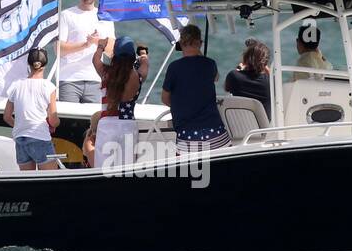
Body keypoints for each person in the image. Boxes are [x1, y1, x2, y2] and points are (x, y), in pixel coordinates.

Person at [161, 24, 231, 153]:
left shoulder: (174, 68)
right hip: (216, 134)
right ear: (200, 43)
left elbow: (165, 98)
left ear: (181, 43)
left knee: (190, 171)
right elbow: (215, 78)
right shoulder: (210, 64)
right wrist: (199, 51)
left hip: (187, 138)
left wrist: (180, 106)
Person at [57, 0, 115, 103]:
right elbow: (59, 49)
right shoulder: (66, 15)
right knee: (68, 121)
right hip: (68, 79)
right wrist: (86, 45)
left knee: (93, 122)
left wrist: (97, 42)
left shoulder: (105, 17)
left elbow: (111, 51)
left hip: (95, 79)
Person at [90, 37, 148, 168]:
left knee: (103, 169)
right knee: (126, 170)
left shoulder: (106, 72)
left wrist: (100, 46)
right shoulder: (138, 75)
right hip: (128, 125)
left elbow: (95, 60)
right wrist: (143, 52)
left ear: (114, 55)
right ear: (133, 56)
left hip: (107, 125)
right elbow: (145, 63)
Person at [3, 47, 59, 171]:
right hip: (40, 137)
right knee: (51, 181)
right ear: (45, 65)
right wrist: (54, 124)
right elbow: (54, 120)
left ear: (28, 64)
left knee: (27, 184)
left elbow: (6, 116)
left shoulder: (16, 85)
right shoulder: (48, 86)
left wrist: (21, 125)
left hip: (20, 138)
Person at [225, 38, 271, 118]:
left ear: (245, 57)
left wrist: (238, 69)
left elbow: (226, 88)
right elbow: (277, 85)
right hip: (262, 128)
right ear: (265, 63)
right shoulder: (269, 82)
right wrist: (267, 69)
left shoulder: (234, 76)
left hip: (238, 126)